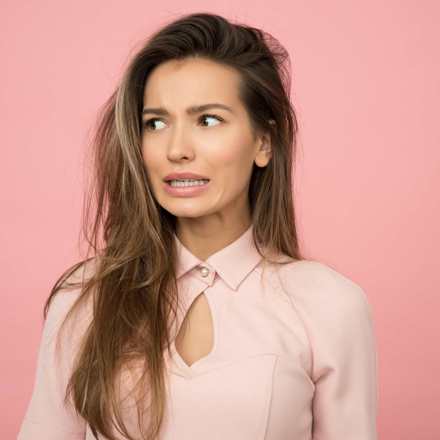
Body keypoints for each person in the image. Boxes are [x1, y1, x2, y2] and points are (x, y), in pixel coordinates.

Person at [17, 12, 378, 440]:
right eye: (156, 122)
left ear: (264, 142)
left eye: (207, 120)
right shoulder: (86, 298)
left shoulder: (329, 305)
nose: (176, 149)